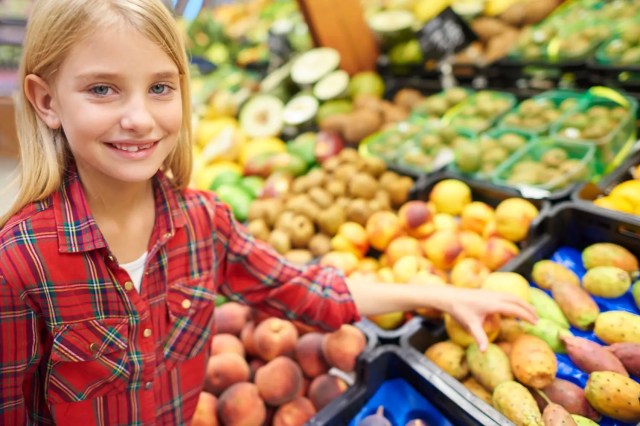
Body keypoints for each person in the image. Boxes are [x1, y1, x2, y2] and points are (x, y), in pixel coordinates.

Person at [0, 0, 536, 424]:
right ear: (46, 101)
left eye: (160, 87)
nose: (140, 118)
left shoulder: (203, 222)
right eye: (102, 89)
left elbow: (306, 291)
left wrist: (438, 295)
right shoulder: (19, 265)